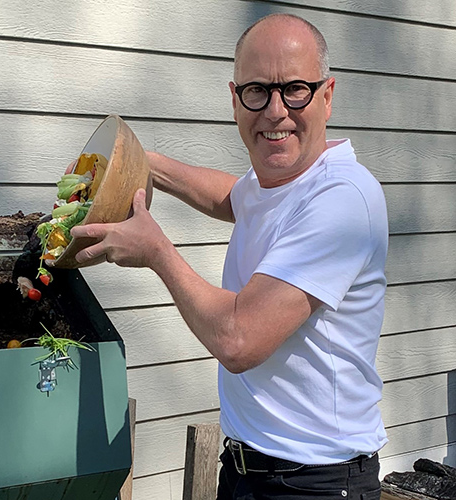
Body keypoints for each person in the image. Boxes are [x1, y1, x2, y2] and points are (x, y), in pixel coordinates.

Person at [68, 13, 388, 500]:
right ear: (235, 98)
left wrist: (156, 251)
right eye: (258, 91)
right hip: (245, 468)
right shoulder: (282, 181)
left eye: (295, 89)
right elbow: (232, 197)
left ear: (327, 95)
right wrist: (137, 162)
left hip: (315, 483)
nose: (275, 111)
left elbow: (238, 340)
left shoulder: (342, 200)